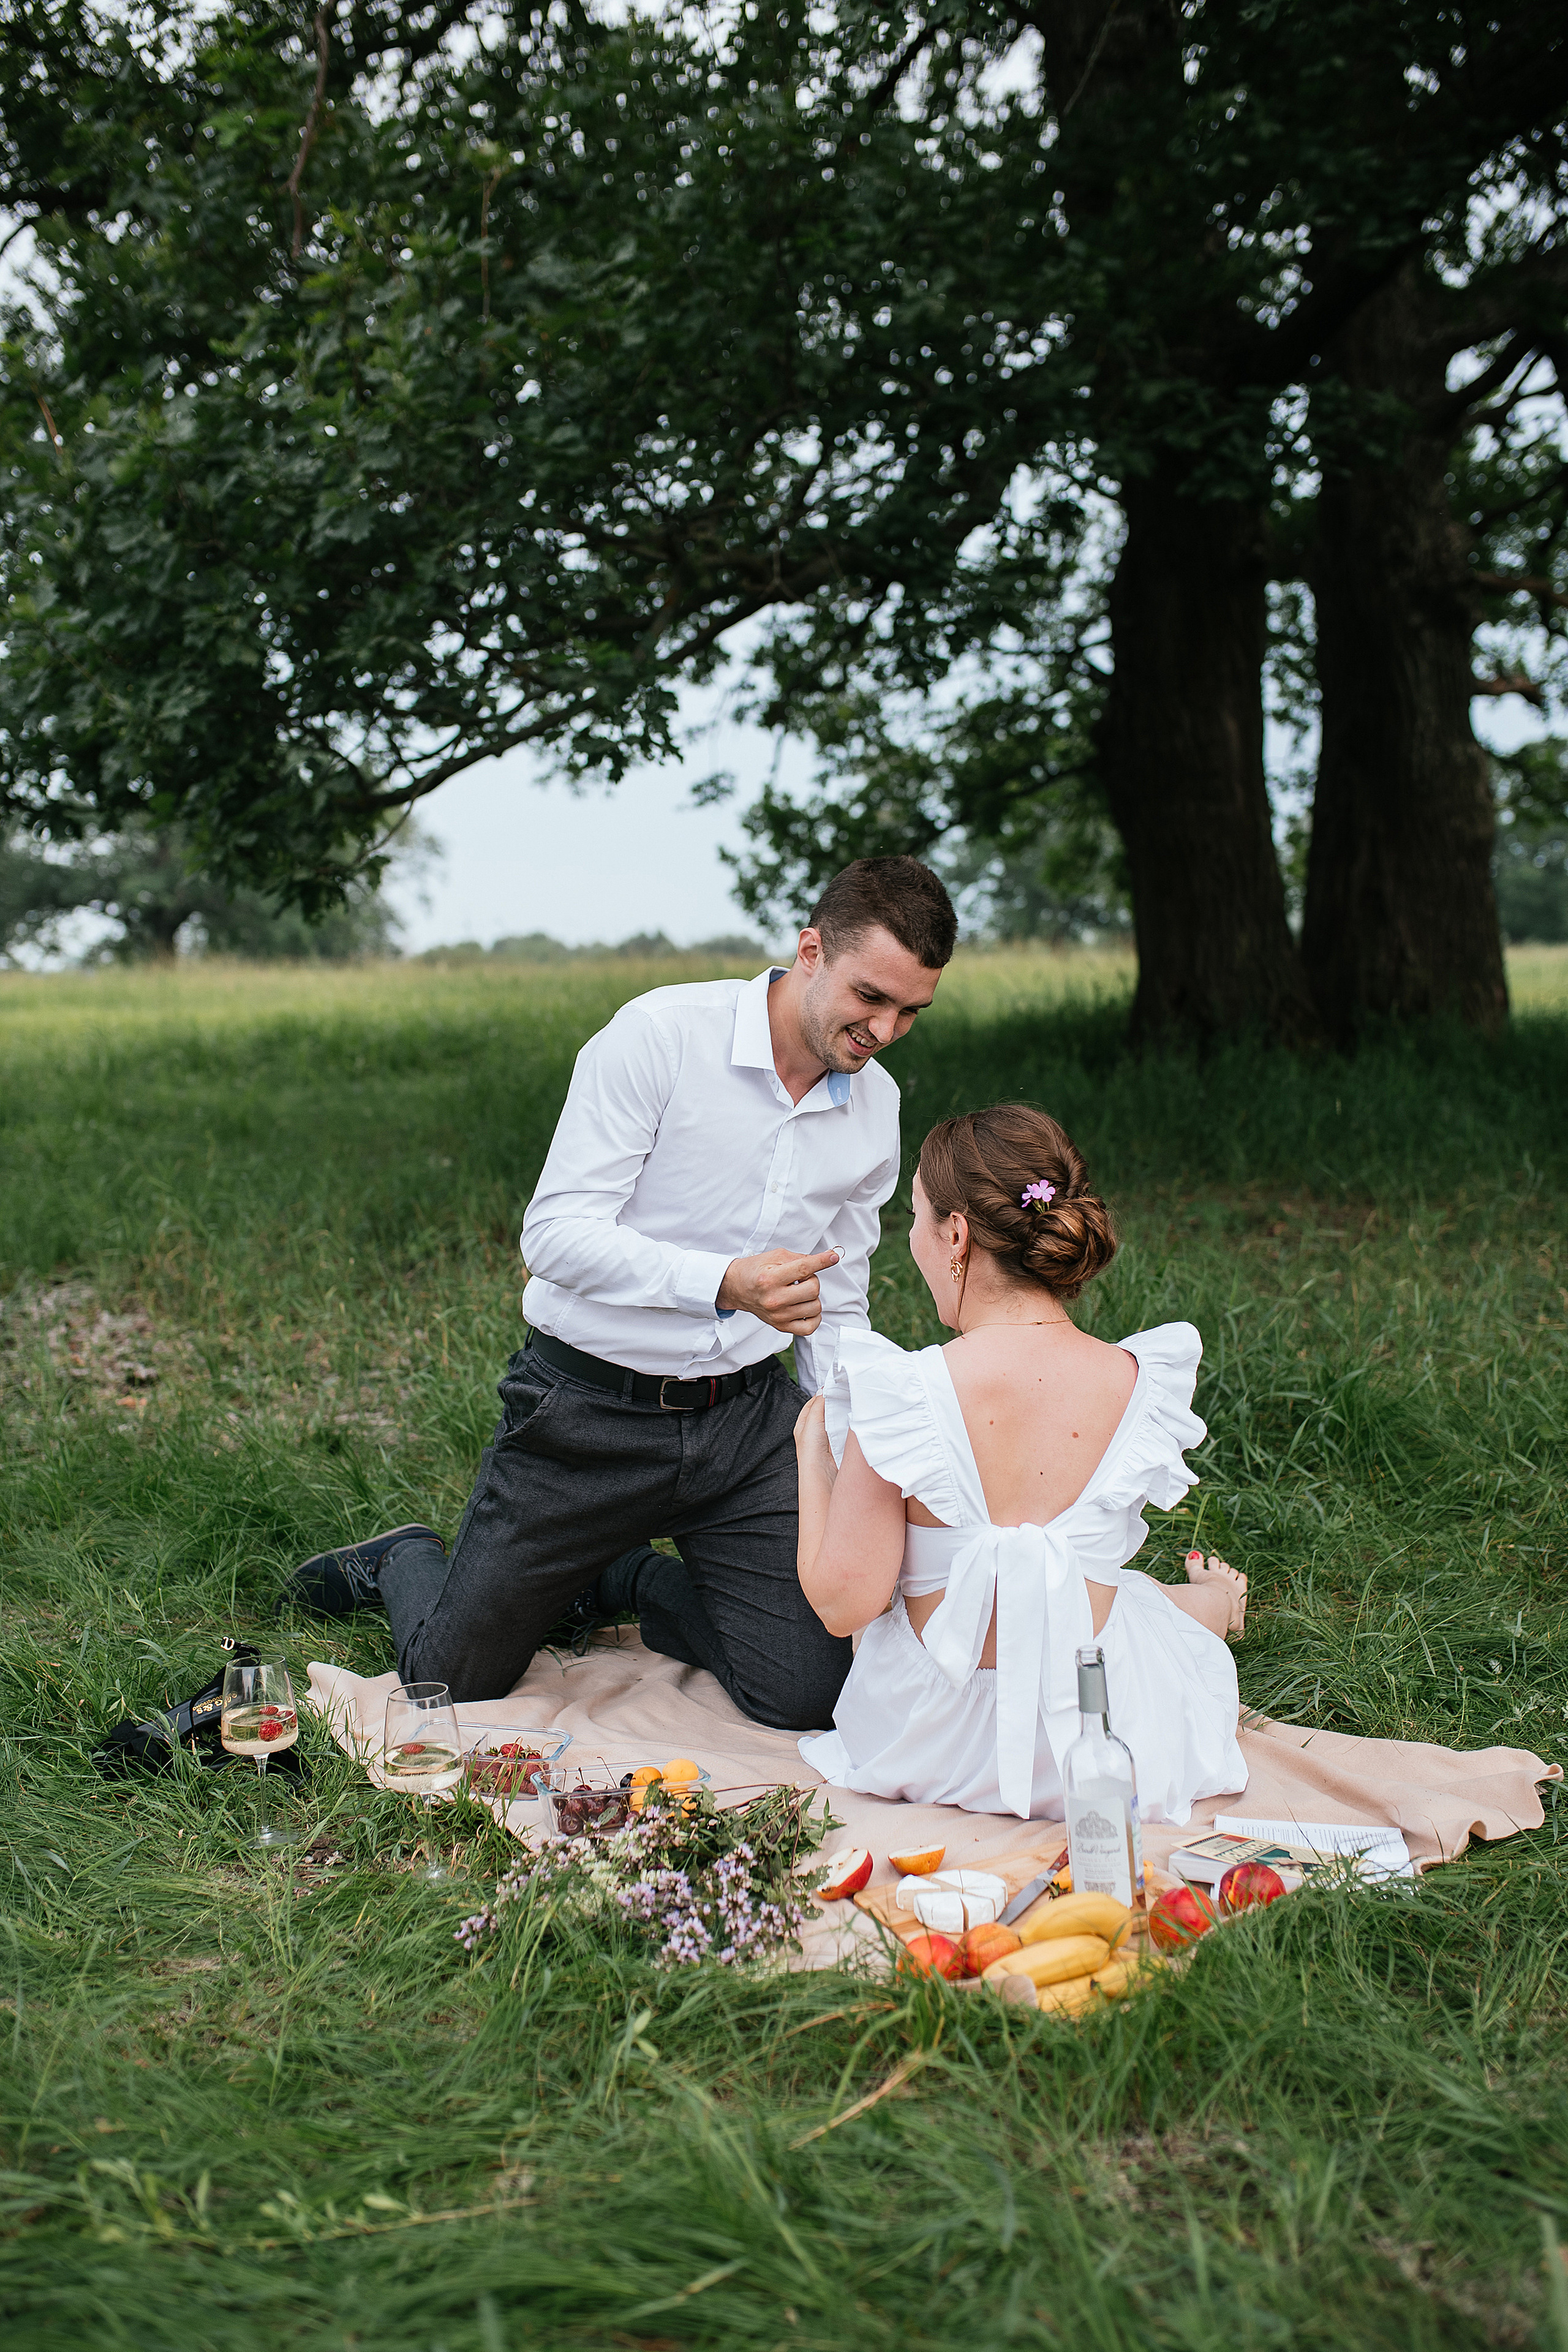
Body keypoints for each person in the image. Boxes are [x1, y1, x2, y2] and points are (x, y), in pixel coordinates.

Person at [285, 856, 957, 1727]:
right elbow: (554, 1237)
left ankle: (624, 1574)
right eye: (872, 997)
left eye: (911, 1011)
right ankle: (409, 1557)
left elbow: (839, 1298)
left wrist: (851, 1443)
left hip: (750, 1427)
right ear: (811, 952)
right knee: (451, 1682)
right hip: (585, 1414)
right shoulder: (660, 1035)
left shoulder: (876, 1108)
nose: (887, 1028)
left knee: (808, 1692)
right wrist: (720, 1284)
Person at [793, 1102, 1248, 1823]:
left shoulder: (903, 1394)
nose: (908, 1239)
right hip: (1109, 1737)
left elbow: (845, 1605)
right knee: (1121, 1599)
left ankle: (1209, 1605)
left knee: (1087, 1585)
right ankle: (1216, 1605)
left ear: (956, 1235)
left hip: (927, 1743)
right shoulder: (1137, 1382)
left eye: (912, 1217)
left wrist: (812, 1459)